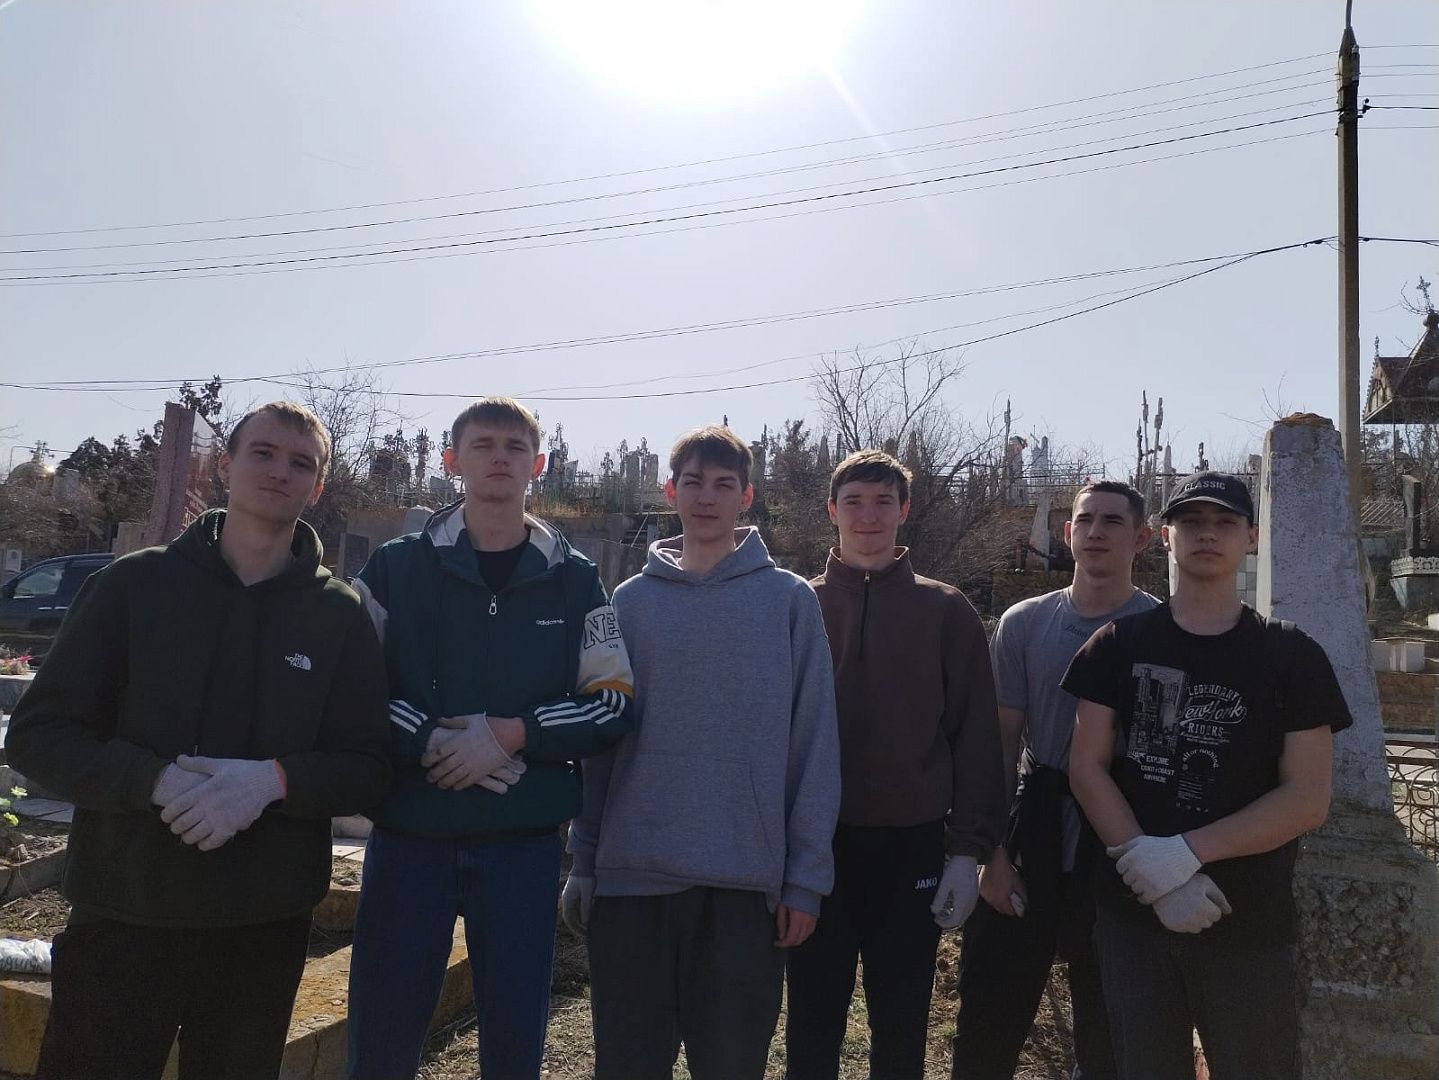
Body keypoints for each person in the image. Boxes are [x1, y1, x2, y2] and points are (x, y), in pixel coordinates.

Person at [7, 401, 391, 1080]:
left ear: (317, 488)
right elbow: (40, 736)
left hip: (262, 924)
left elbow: (369, 766)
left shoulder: (338, 614)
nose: (279, 471)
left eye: (301, 463)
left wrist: (272, 781)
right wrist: (153, 780)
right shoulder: (132, 586)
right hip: (125, 907)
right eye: (263, 453)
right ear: (226, 466)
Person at [346, 396, 634, 1080]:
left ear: (538, 464)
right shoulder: (394, 568)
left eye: (514, 446)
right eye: (482, 444)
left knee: (513, 1039)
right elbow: (347, 687)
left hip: (521, 847)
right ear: (453, 460)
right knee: (382, 1034)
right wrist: (429, 740)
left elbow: (613, 702)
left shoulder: (575, 579)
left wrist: (513, 734)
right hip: (410, 837)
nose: (499, 457)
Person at [562, 424, 840, 1080]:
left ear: (746, 497)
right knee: (627, 1067)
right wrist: (585, 860)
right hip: (632, 883)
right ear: (670, 491)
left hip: (742, 888)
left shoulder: (788, 602)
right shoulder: (629, 603)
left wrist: (805, 879)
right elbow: (601, 742)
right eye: (693, 482)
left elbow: (813, 745)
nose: (707, 497)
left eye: (723, 484)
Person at [1063, 472, 1351, 1079]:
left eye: (1225, 522)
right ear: (1167, 536)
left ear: (1252, 537)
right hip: (1133, 917)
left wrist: (1185, 854)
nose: (1208, 535)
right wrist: (1151, 872)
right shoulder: (1119, 643)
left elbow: (1307, 797)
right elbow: (1086, 767)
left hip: (1246, 919)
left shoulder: (1291, 654)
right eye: (1192, 522)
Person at [784, 449, 1006, 1080]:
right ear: (832, 511)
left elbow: (976, 739)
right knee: (811, 1020)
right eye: (853, 501)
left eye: (883, 501)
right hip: (817, 846)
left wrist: (967, 852)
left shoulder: (946, 611)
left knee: (902, 1021)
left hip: (912, 846)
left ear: (904, 510)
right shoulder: (797, 605)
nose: (868, 515)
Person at [952, 480, 1157, 1080]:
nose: (1096, 533)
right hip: (1034, 830)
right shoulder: (1024, 623)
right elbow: (998, 743)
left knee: (1113, 1033)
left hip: (1120, 845)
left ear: (1142, 538)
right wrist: (992, 855)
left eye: (1113, 521)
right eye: (1085, 520)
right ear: (1067, 534)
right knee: (988, 1017)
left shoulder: (1160, 628)